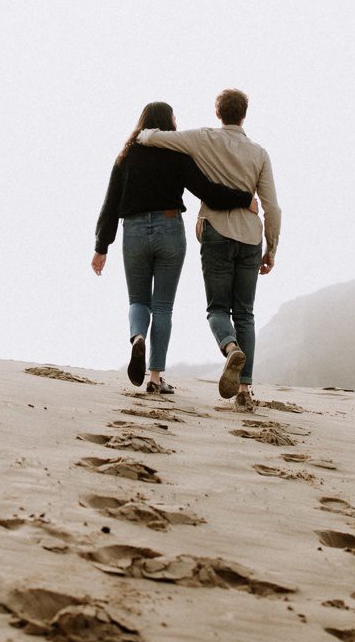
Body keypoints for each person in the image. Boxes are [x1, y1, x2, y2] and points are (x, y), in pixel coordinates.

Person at [95, 101, 257, 394]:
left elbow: (110, 204)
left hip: (133, 231)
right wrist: (244, 198)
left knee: (137, 301)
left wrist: (101, 247)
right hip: (170, 229)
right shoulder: (177, 154)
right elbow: (208, 192)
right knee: (163, 307)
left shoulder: (126, 155)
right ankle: (155, 377)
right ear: (167, 123)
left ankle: (137, 339)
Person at [135, 88, 281, 410]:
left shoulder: (202, 138)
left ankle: (230, 349)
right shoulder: (259, 153)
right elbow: (272, 207)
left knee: (217, 310)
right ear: (244, 114)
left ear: (218, 113)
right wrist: (271, 248)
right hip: (251, 238)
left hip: (216, 233)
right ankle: (244, 390)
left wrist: (143, 135)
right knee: (245, 313)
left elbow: (154, 138)